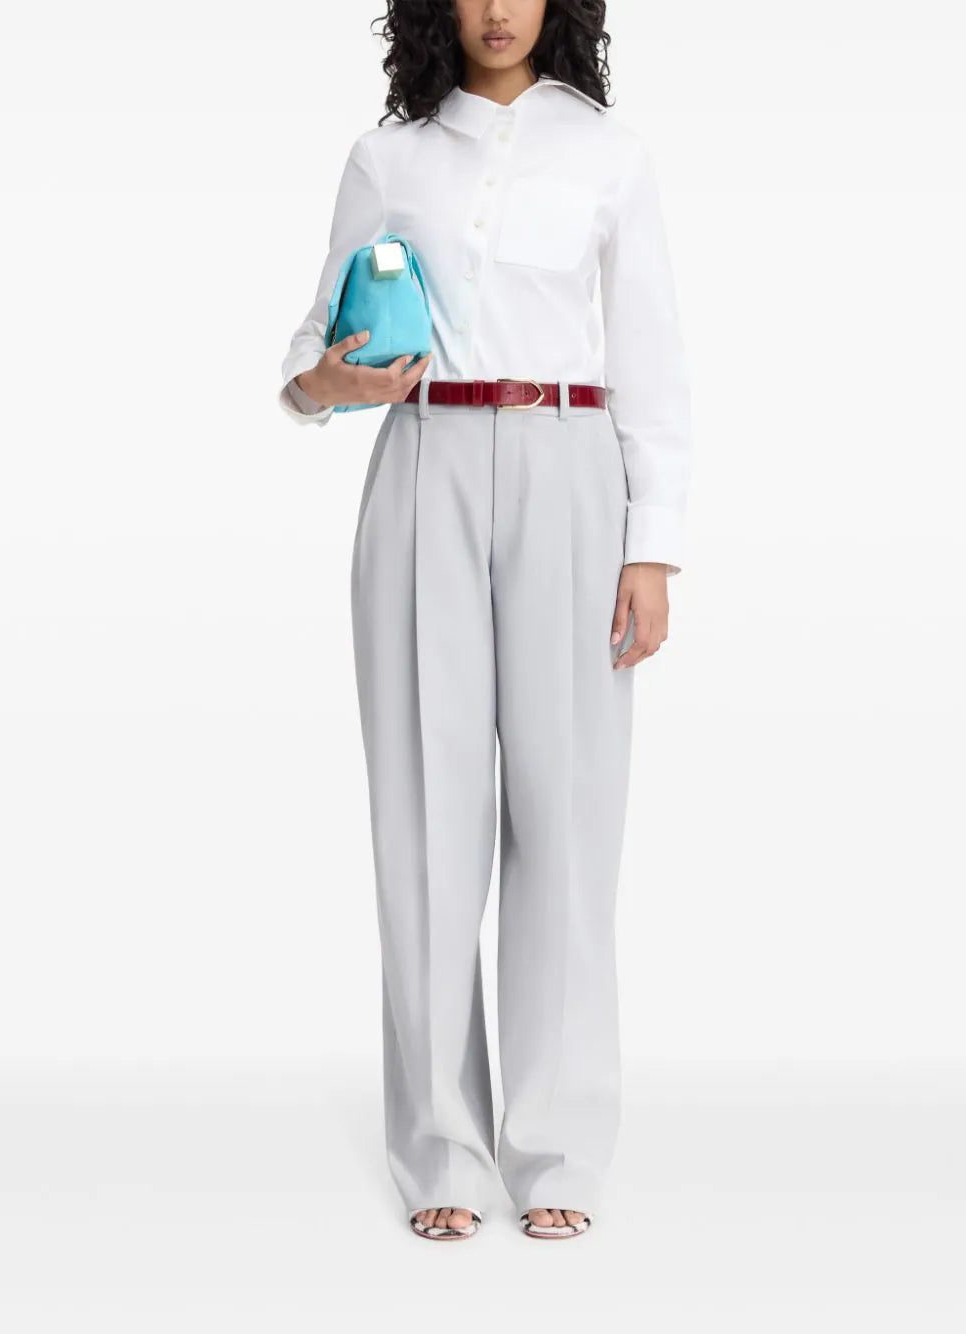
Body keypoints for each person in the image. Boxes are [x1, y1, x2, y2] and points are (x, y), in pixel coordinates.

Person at [277, 0, 691, 1242]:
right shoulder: (388, 156)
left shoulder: (608, 153)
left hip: (573, 466)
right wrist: (324, 383)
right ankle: (440, 1147)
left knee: (567, 818)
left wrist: (653, 543)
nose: (498, 9)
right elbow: (312, 348)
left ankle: (558, 1143)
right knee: (424, 815)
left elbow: (652, 357)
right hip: (424, 465)